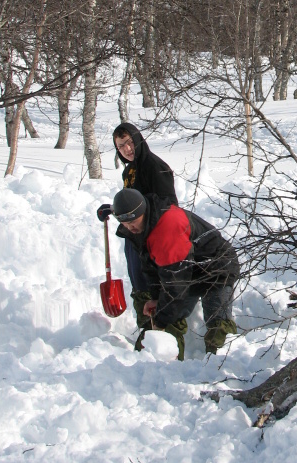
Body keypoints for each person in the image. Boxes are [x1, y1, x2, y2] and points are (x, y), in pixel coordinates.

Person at [101, 187, 239, 358]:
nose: (130, 227)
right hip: (188, 268)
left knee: (218, 326)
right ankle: (160, 366)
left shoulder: (167, 229)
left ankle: (218, 368)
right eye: (125, 223)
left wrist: (161, 317)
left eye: (133, 221)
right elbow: (152, 267)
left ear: (142, 211)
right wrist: (156, 298)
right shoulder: (141, 225)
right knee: (168, 321)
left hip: (217, 266)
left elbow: (176, 285)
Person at [97, 123, 178, 331]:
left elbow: (167, 205)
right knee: (140, 283)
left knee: (156, 286)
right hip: (136, 239)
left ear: (138, 139)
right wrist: (115, 210)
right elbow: (132, 205)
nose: (127, 149)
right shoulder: (130, 172)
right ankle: (146, 331)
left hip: (156, 239)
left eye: (129, 142)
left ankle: (165, 335)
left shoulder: (155, 167)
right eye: (121, 146)